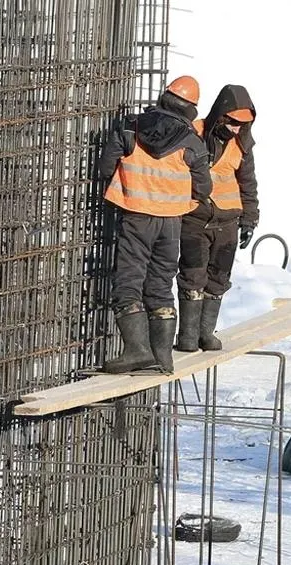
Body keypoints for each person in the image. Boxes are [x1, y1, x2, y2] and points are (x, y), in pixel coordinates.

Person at [97, 75, 212, 374]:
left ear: (164, 97)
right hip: (171, 221)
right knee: (160, 285)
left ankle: (136, 350)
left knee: (128, 282)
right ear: (191, 109)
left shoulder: (130, 127)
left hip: (136, 216)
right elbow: (204, 188)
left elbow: (106, 167)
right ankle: (162, 358)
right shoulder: (192, 142)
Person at [174, 84, 259, 353]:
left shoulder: (242, 145)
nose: (236, 129)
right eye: (233, 122)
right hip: (195, 218)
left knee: (218, 279)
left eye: (241, 124)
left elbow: (248, 184)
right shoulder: (194, 133)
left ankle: (205, 334)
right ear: (222, 115)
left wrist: (250, 219)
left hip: (227, 222)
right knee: (192, 276)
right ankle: (187, 337)